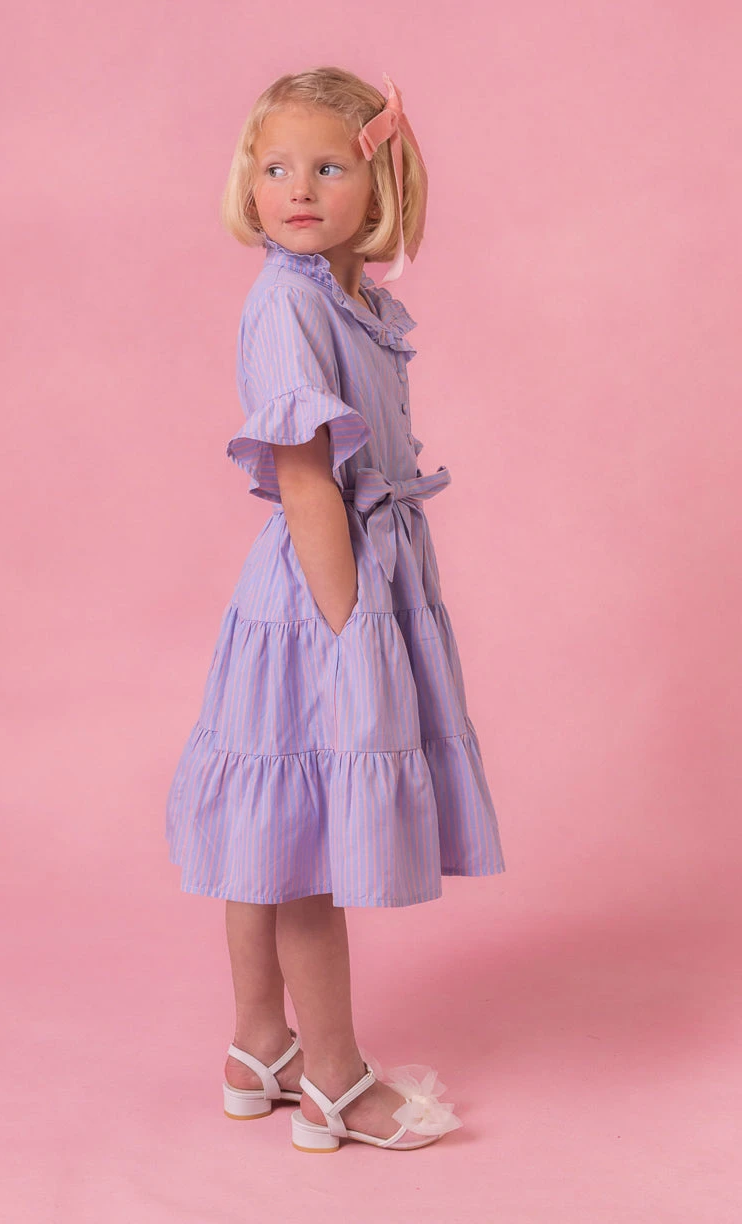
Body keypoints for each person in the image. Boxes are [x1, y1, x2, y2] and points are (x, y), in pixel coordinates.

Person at [166, 66, 506, 1153]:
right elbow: (309, 480)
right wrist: (352, 627)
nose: (298, 189)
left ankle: (256, 1046)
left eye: (326, 166)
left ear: (382, 182)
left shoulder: (349, 298)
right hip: (324, 591)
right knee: (304, 836)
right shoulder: (288, 303)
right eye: (274, 169)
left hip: (351, 574)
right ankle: (333, 1079)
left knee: (275, 820)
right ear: (247, 184)